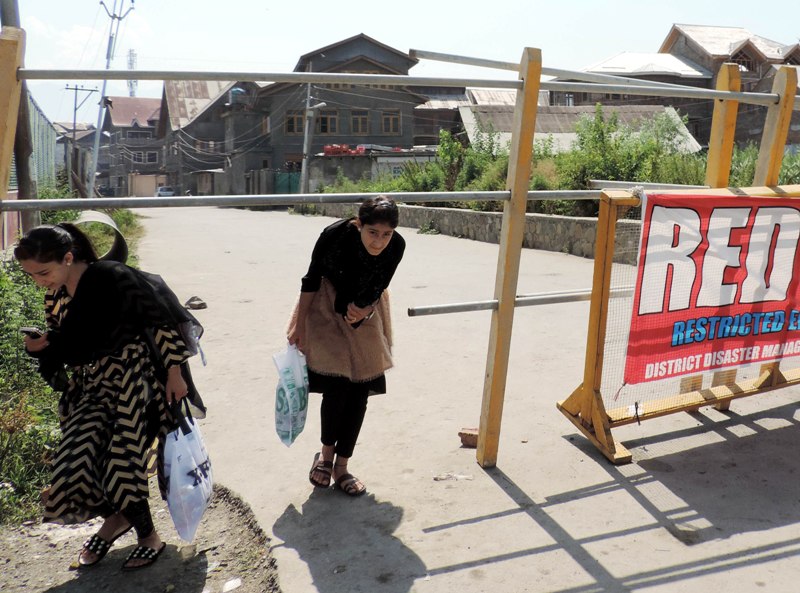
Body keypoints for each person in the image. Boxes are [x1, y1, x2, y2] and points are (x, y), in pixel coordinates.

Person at [14, 223, 204, 571]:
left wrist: (175, 373)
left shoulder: (111, 276)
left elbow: (159, 319)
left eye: (44, 272)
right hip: (91, 384)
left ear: (68, 257)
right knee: (76, 462)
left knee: (121, 463)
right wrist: (38, 347)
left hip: (136, 380)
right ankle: (118, 518)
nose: (39, 280)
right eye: (32, 275)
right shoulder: (55, 295)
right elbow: (63, 342)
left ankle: (149, 537)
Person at [288, 196, 405, 497]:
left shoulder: (397, 246)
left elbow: (380, 282)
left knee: (360, 387)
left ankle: (342, 466)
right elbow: (311, 279)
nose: (379, 242)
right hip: (325, 305)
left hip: (366, 307)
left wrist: (365, 309)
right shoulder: (334, 235)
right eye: (372, 232)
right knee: (337, 385)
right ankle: (325, 457)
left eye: (386, 234)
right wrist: (300, 325)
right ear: (358, 224)